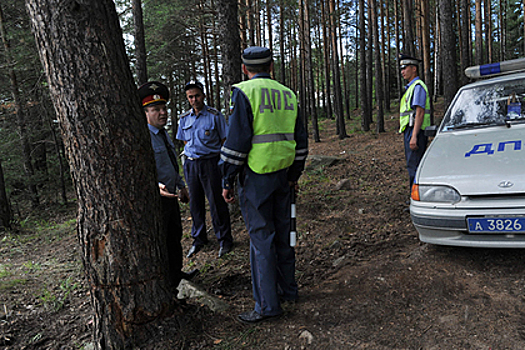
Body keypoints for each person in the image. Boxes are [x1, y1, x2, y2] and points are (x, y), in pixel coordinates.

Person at [220, 46, 309, 324]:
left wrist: (227, 179)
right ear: (271, 67)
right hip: (284, 175)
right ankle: (289, 290)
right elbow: (300, 142)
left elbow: (237, 143)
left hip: (256, 177)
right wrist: (294, 175)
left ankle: (267, 307)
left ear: (246, 69)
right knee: (285, 235)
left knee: (261, 241)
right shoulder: (289, 94)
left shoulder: (244, 93)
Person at [138, 81, 198, 289]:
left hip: (172, 195)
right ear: (145, 113)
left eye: (163, 108)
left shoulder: (163, 134)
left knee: (174, 236)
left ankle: (176, 275)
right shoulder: (143, 138)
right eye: (155, 110)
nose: (162, 113)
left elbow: (171, 164)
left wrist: (181, 186)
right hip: (156, 199)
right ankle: (166, 282)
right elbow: (141, 170)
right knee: (161, 240)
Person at [177, 80, 233, 259]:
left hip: (211, 164)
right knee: (195, 203)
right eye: (190, 97)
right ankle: (199, 238)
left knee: (217, 202)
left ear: (204, 95)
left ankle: (224, 239)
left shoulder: (214, 116)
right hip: (191, 164)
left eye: (197, 95)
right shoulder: (184, 118)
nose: (194, 99)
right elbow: (185, 142)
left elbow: (224, 141)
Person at [399, 54, 431, 195]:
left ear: (414, 69)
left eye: (405, 68)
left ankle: (416, 197)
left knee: (415, 167)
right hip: (412, 131)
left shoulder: (417, 87)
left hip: (416, 131)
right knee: (413, 165)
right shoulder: (411, 87)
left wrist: (414, 136)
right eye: (401, 68)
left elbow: (420, 112)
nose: (402, 71)